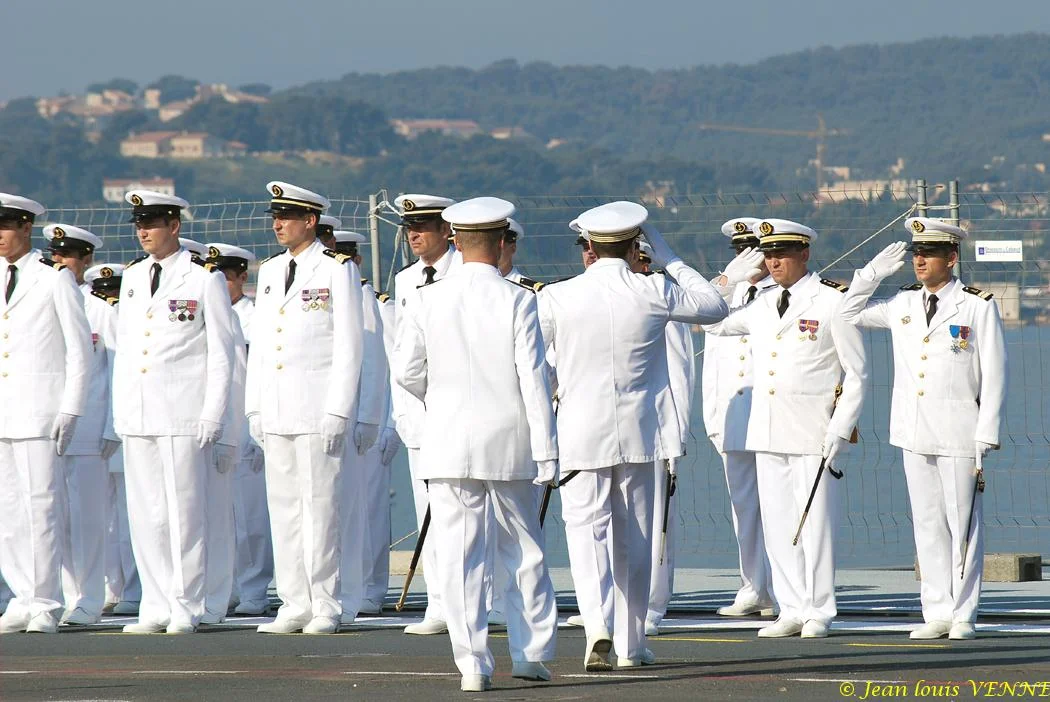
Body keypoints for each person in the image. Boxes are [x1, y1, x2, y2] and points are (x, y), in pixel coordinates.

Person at [537, 201, 733, 670]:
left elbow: (536, 364)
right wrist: (668, 256)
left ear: (588, 248)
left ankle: (596, 625)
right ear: (633, 247)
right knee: (636, 537)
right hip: (640, 431)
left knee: (586, 532)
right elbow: (715, 306)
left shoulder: (557, 296)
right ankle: (631, 642)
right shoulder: (653, 290)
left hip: (581, 430)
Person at [394, 196, 559, 692]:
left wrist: (443, 402)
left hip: (446, 440)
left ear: (456, 241)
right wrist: (547, 449)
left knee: (459, 555)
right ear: (500, 240)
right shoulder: (517, 298)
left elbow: (406, 371)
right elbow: (534, 380)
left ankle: (472, 664)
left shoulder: (425, 297)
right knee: (523, 551)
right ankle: (530, 654)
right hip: (508, 439)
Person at [840, 218, 1007, 641]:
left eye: (928, 254)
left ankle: (964, 612)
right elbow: (846, 313)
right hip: (912, 429)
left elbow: (995, 372)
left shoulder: (976, 305)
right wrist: (872, 273)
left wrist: (986, 431)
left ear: (951, 258)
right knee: (928, 523)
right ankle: (936, 609)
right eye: (916, 253)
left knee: (963, 523)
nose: (919, 261)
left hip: (960, 430)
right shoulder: (902, 303)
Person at [705, 218, 868, 639]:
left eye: (781, 254)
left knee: (814, 523)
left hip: (814, 430)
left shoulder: (832, 300)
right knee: (778, 524)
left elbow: (857, 373)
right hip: (768, 430)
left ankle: (819, 609)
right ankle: (791, 607)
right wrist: (725, 281)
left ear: (804, 254)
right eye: (767, 255)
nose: (772, 262)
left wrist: (841, 427)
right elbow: (708, 321)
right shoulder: (761, 305)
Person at [113, 189, 236, 634]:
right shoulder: (132, 277)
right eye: (139, 225)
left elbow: (222, 353)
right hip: (140, 412)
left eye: (152, 223)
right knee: (147, 513)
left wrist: (213, 414)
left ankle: (186, 601)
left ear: (174, 226)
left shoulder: (204, 278)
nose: (143, 232)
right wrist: (121, 410)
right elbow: (127, 350)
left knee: (185, 513)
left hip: (184, 411)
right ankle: (156, 600)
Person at [246, 181, 364, 634]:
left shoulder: (336, 269)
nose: (277, 224)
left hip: (317, 408)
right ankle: (294, 602)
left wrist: (339, 409)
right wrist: (254, 405)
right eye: (275, 217)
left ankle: (325, 604)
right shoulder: (273, 270)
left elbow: (349, 345)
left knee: (321, 508)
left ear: (310, 221)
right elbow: (261, 345)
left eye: (286, 217)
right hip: (276, 408)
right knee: (285, 508)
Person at [0, 194, 92, 634]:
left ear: (26, 228)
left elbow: (79, 351)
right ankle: (21, 594)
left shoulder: (54, 279)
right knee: (8, 510)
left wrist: (71, 407)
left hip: (40, 410)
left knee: (42, 507)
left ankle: (44, 600)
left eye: (5, 226)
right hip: (3, 412)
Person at [40, 224, 118, 627]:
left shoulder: (100, 306)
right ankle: (67, 593)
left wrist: (111, 426)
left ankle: (89, 597)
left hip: (89, 428)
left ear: (85, 261)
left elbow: (116, 368)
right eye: (55, 255)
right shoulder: (40, 298)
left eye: (68, 256)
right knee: (56, 516)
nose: (59, 262)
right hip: (48, 427)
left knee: (89, 518)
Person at [701, 218, 777, 618]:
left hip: (774, 414)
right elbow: (711, 354)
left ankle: (783, 588)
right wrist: (713, 416)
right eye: (741, 250)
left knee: (781, 503)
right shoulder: (725, 296)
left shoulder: (786, 295)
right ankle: (753, 586)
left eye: (758, 250)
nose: (749, 258)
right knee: (743, 505)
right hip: (733, 416)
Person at [391, 193, 459, 636]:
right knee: (427, 510)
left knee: (468, 511)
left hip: (461, 408)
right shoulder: (405, 280)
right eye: (409, 228)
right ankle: (438, 602)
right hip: (421, 414)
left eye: (424, 227)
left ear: (447, 231)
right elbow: (403, 351)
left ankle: (474, 599)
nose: (415, 235)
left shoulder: (467, 274)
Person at [632, 236, 700, 636]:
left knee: (656, 518)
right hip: (620, 430)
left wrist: (676, 433)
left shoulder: (662, 300)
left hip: (657, 427)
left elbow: (680, 371)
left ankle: (653, 604)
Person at [207, 243, 273, 616]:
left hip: (247, 421)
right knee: (220, 513)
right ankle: (225, 585)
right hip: (219, 422)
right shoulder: (207, 313)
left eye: (226, 278)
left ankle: (254, 588)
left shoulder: (255, 316)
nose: (219, 285)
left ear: (241, 278)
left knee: (251, 516)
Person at [328, 230, 385, 625]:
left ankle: (367, 587)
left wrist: (370, 418)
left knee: (362, 509)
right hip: (334, 413)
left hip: (356, 417)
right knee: (338, 508)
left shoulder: (362, 296)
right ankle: (348, 587)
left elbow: (373, 363)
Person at [87, 264, 140, 617]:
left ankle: (134, 590)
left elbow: (120, 373)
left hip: (117, 429)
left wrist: (112, 426)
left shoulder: (111, 315)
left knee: (129, 518)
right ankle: (110, 587)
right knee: (102, 520)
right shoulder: (85, 309)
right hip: (89, 434)